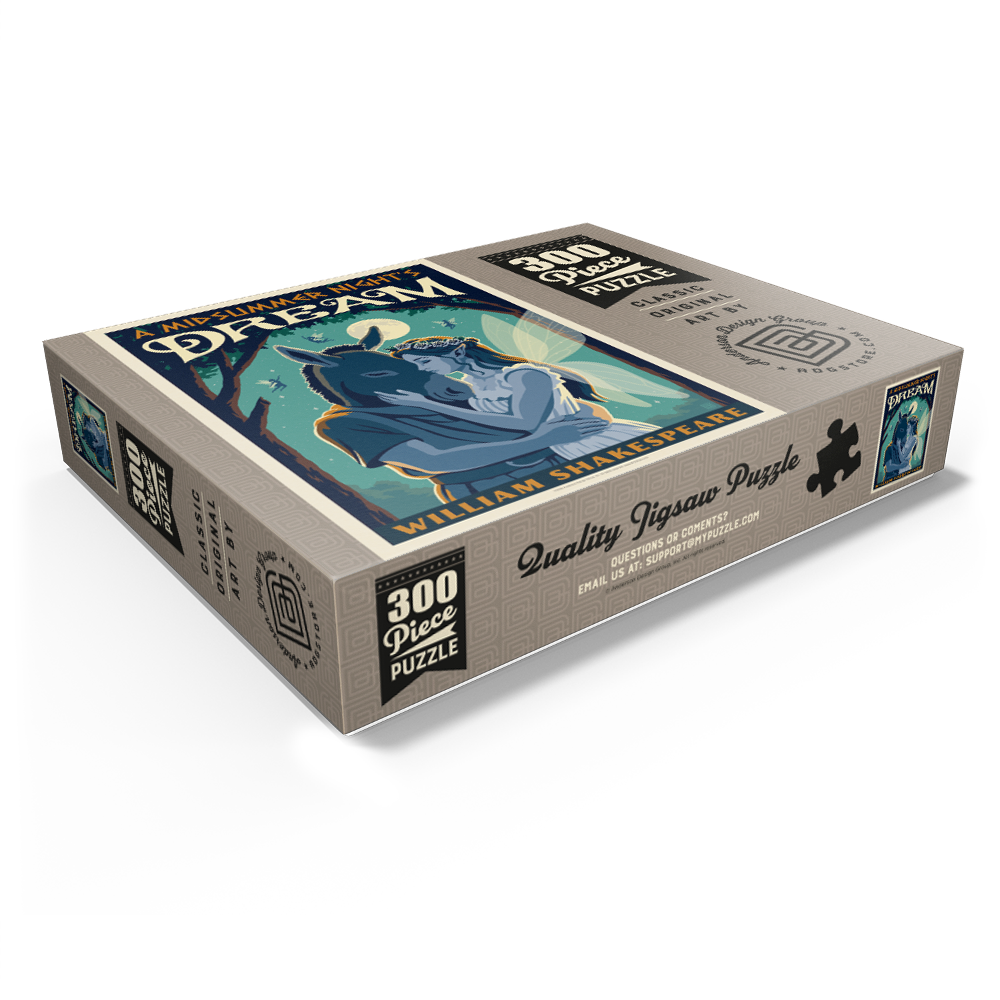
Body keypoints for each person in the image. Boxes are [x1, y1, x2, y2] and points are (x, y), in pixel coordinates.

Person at [378, 336, 658, 458]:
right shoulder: (472, 383)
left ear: (458, 352)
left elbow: (525, 423)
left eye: (424, 362)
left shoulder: (524, 375)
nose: (422, 370)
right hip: (559, 445)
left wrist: (427, 404)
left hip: (588, 439)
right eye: (416, 366)